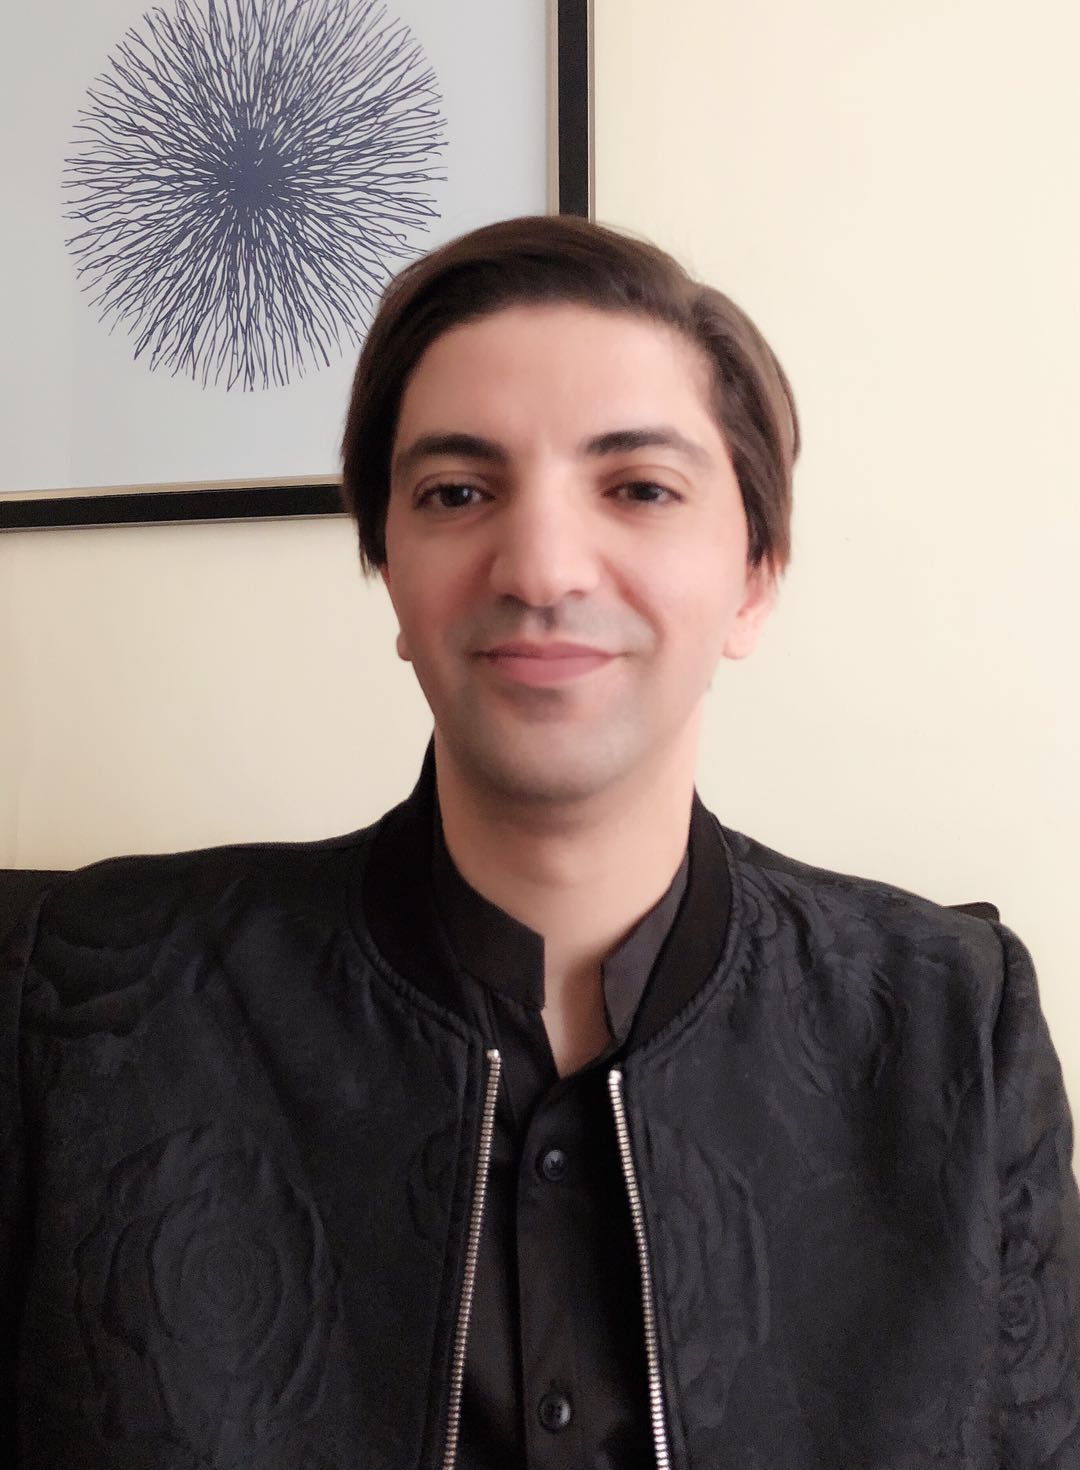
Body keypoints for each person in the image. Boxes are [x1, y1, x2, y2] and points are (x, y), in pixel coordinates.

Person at [2, 215, 1078, 1469]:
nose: (543, 568)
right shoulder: (82, 1001)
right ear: (390, 574)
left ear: (754, 576)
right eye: (458, 494)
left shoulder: (952, 1023)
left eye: (640, 489)